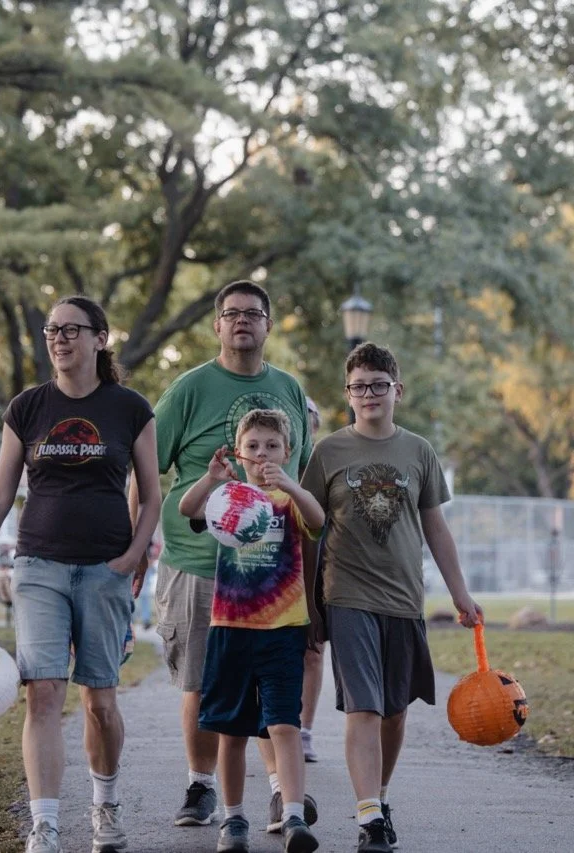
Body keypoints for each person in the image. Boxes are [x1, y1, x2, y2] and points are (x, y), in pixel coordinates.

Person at [0, 296, 162, 853]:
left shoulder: (130, 408)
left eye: (72, 329)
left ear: (100, 339)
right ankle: (46, 826)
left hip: (105, 569)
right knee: (42, 692)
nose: (59, 338)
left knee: (100, 702)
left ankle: (105, 805)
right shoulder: (28, 407)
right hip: (38, 565)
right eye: (51, 330)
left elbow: (153, 496)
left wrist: (133, 556)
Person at [136, 280, 313, 829]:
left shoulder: (288, 388)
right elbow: (146, 470)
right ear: (217, 325)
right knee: (201, 679)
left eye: (253, 314)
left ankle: (283, 794)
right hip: (196, 561)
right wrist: (139, 543)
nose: (242, 321)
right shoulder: (190, 388)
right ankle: (201, 786)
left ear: (267, 325)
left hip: (269, 573)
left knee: (268, 686)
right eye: (231, 313)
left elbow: (298, 481)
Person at [299, 342, 482, 853]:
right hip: (347, 594)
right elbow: (309, 531)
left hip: (404, 599)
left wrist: (461, 594)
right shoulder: (329, 452)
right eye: (359, 387)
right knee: (365, 708)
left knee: (396, 709)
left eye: (379, 385)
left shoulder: (418, 451)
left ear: (396, 391)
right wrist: (311, 605)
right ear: (347, 395)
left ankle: (379, 796)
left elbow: (436, 528)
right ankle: (369, 818)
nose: (369, 394)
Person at [179, 408, 324, 853]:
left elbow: (318, 522)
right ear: (240, 453)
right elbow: (188, 509)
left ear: (288, 451)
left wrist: (293, 485)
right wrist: (211, 478)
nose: (262, 455)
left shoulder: (287, 499)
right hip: (231, 627)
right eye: (253, 447)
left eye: (272, 447)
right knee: (232, 730)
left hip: (282, 629)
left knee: (285, 724)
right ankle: (234, 819)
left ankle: (295, 816)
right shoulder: (228, 498)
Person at [299, 396, 323, 763]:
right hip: (277, 567)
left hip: (317, 564)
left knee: (313, 649)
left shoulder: (323, 461)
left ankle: (303, 730)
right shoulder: (265, 460)